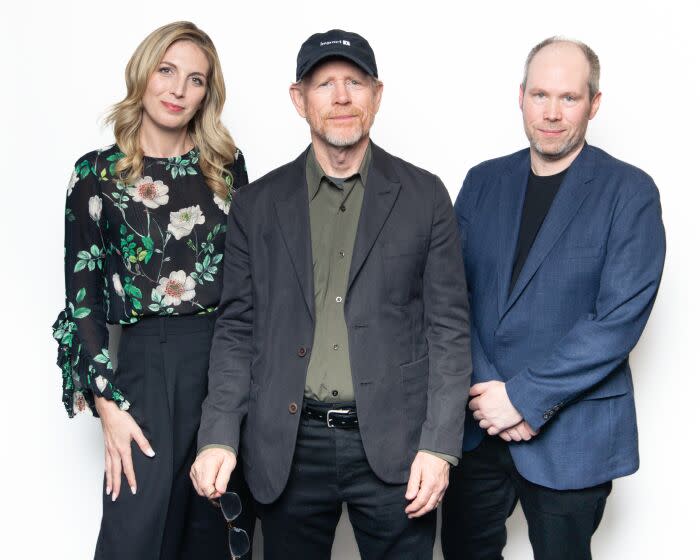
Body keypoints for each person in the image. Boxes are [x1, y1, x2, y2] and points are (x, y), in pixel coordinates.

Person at [190, 29, 472, 559]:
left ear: (377, 95)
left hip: (396, 444)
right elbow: (236, 331)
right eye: (324, 84)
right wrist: (218, 435)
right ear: (300, 100)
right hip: (288, 445)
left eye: (355, 82)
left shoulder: (425, 195)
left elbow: (450, 332)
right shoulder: (256, 205)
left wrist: (439, 446)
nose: (341, 97)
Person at [441, 37, 666, 560]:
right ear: (520, 96)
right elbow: (450, 297)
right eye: (540, 95)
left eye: (569, 98)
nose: (552, 113)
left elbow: (616, 321)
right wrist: (486, 388)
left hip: (573, 436)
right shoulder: (482, 181)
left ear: (594, 103)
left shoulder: (630, 193)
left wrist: (521, 398)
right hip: (476, 426)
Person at [52, 21, 254, 560]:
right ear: (143, 73)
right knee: (136, 533)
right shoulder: (96, 175)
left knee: (214, 527)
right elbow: (83, 297)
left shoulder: (226, 168)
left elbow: (250, 283)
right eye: (167, 71)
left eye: (196, 79)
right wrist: (107, 405)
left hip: (224, 362)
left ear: (208, 93)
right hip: (143, 365)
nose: (178, 90)